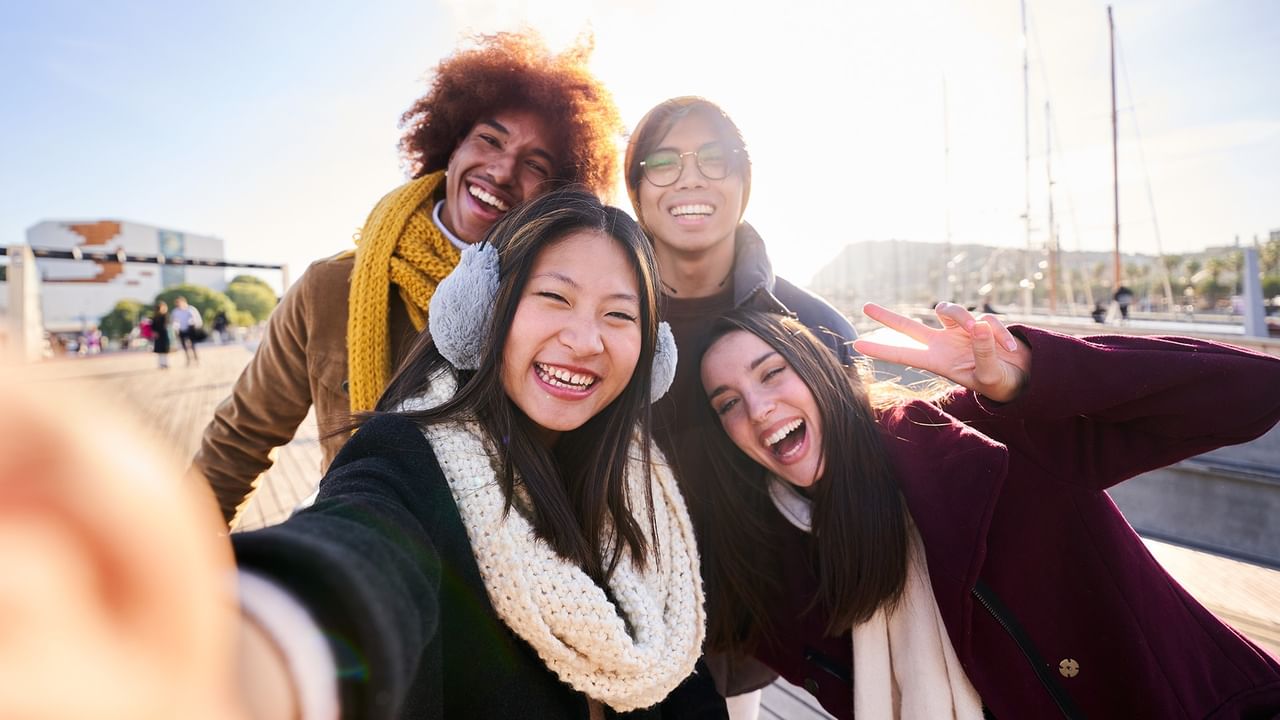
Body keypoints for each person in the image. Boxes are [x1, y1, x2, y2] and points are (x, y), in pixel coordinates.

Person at [0, 189, 723, 719]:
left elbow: (679, 678)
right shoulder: (408, 456)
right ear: (484, 312)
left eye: (619, 315)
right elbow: (358, 555)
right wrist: (234, 653)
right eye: (554, 298)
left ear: (651, 352)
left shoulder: (642, 484)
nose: (585, 338)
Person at [696, 303, 1280, 718]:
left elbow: (1252, 393)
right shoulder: (778, 570)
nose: (758, 407)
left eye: (773, 372)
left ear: (823, 373)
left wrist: (1033, 372)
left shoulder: (981, 435)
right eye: (728, 403)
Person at [191, 31, 623, 525]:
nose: (502, 171)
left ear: (556, 193)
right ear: (451, 144)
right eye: (489, 139)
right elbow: (237, 443)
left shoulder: (563, 313)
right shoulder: (329, 289)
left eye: (534, 164)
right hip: (362, 557)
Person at [623, 97, 857, 710]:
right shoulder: (605, 320)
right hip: (621, 631)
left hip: (762, 638)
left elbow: (863, 486)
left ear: (744, 182)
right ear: (638, 189)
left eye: (715, 158)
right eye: (665, 160)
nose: (691, 176)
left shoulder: (812, 328)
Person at [171, 296, 202, 365]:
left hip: (190, 329)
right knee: (184, 346)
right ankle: (188, 360)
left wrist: (197, 326)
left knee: (193, 345)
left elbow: (197, 318)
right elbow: (174, 321)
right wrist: (175, 329)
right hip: (181, 330)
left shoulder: (190, 309)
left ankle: (196, 359)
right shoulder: (175, 311)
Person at [151, 300, 172, 369]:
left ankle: (165, 363)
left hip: (164, 334)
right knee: (160, 351)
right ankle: (161, 364)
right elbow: (153, 326)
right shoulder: (155, 316)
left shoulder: (166, 315)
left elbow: (166, 324)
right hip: (158, 335)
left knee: (165, 350)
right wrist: (155, 332)